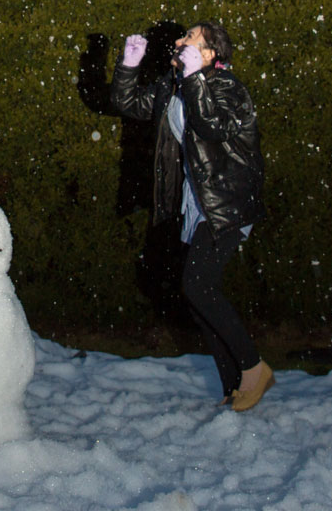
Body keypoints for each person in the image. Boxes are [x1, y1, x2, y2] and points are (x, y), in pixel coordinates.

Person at [110, 21, 273, 412]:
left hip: (227, 204)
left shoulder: (228, 88)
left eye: (191, 39)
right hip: (197, 206)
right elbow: (130, 105)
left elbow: (211, 126)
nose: (180, 41)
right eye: (183, 37)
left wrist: (195, 76)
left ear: (210, 54)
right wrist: (128, 67)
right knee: (196, 293)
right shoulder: (175, 85)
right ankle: (233, 387)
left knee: (198, 286)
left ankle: (253, 368)